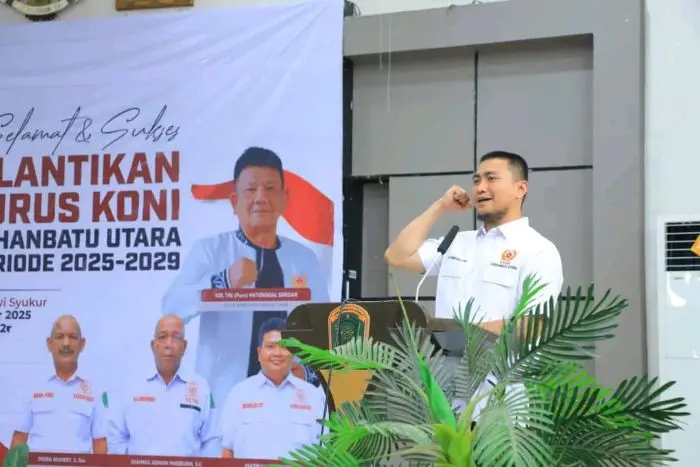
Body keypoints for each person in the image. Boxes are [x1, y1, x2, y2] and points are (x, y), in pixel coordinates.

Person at [162, 147, 329, 406]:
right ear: (234, 201)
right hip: (224, 399)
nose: (261, 198)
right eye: (251, 190)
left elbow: (323, 328)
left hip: (288, 400)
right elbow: (172, 307)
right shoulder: (210, 250)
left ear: (284, 199)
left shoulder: (304, 259)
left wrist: (306, 374)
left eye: (270, 189)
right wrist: (224, 281)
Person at [385, 150, 563, 328]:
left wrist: (461, 335)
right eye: (476, 181)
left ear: (520, 189)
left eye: (491, 179)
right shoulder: (455, 243)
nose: (480, 188)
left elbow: (533, 325)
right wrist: (440, 206)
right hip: (443, 348)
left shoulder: (539, 250)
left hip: (493, 349)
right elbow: (396, 256)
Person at [107, 315, 219, 457]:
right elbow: (116, 437)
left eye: (176, 337)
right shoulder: (132, 385)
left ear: (184, 346)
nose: (169, 344)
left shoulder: (201, 387)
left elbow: (211, 441)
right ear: (153, 345)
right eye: (162, 337)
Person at [220, 317, 326, 460]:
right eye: (270, 346)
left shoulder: (314, 396)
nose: (277, 353)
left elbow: (324, 452)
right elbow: (227, 451)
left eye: (284, 347)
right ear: (259, 353)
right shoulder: (239, 394)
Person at [11, 315, 108, 454]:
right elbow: (19, 438)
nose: (66, 343)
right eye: (60, 337)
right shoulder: (32, 385)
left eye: (72, 337)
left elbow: (100, 443)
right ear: (49, 343)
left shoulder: (96, 390)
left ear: (82, 344)